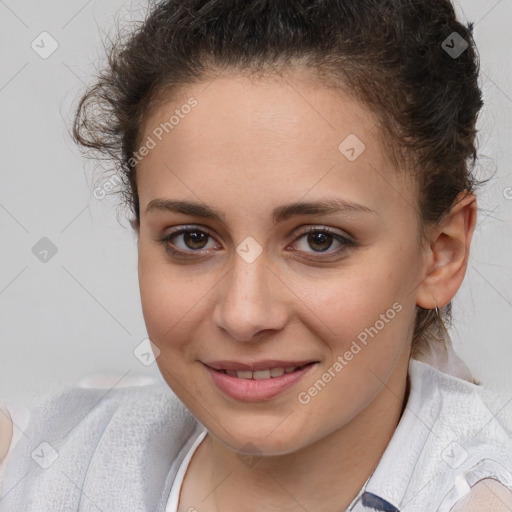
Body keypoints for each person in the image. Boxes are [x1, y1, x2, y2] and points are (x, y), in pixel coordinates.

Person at [1, 0, 512, 510]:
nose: (244, 315)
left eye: (319, 240)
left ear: (441, 253)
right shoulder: (45, 461)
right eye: (192, 238)